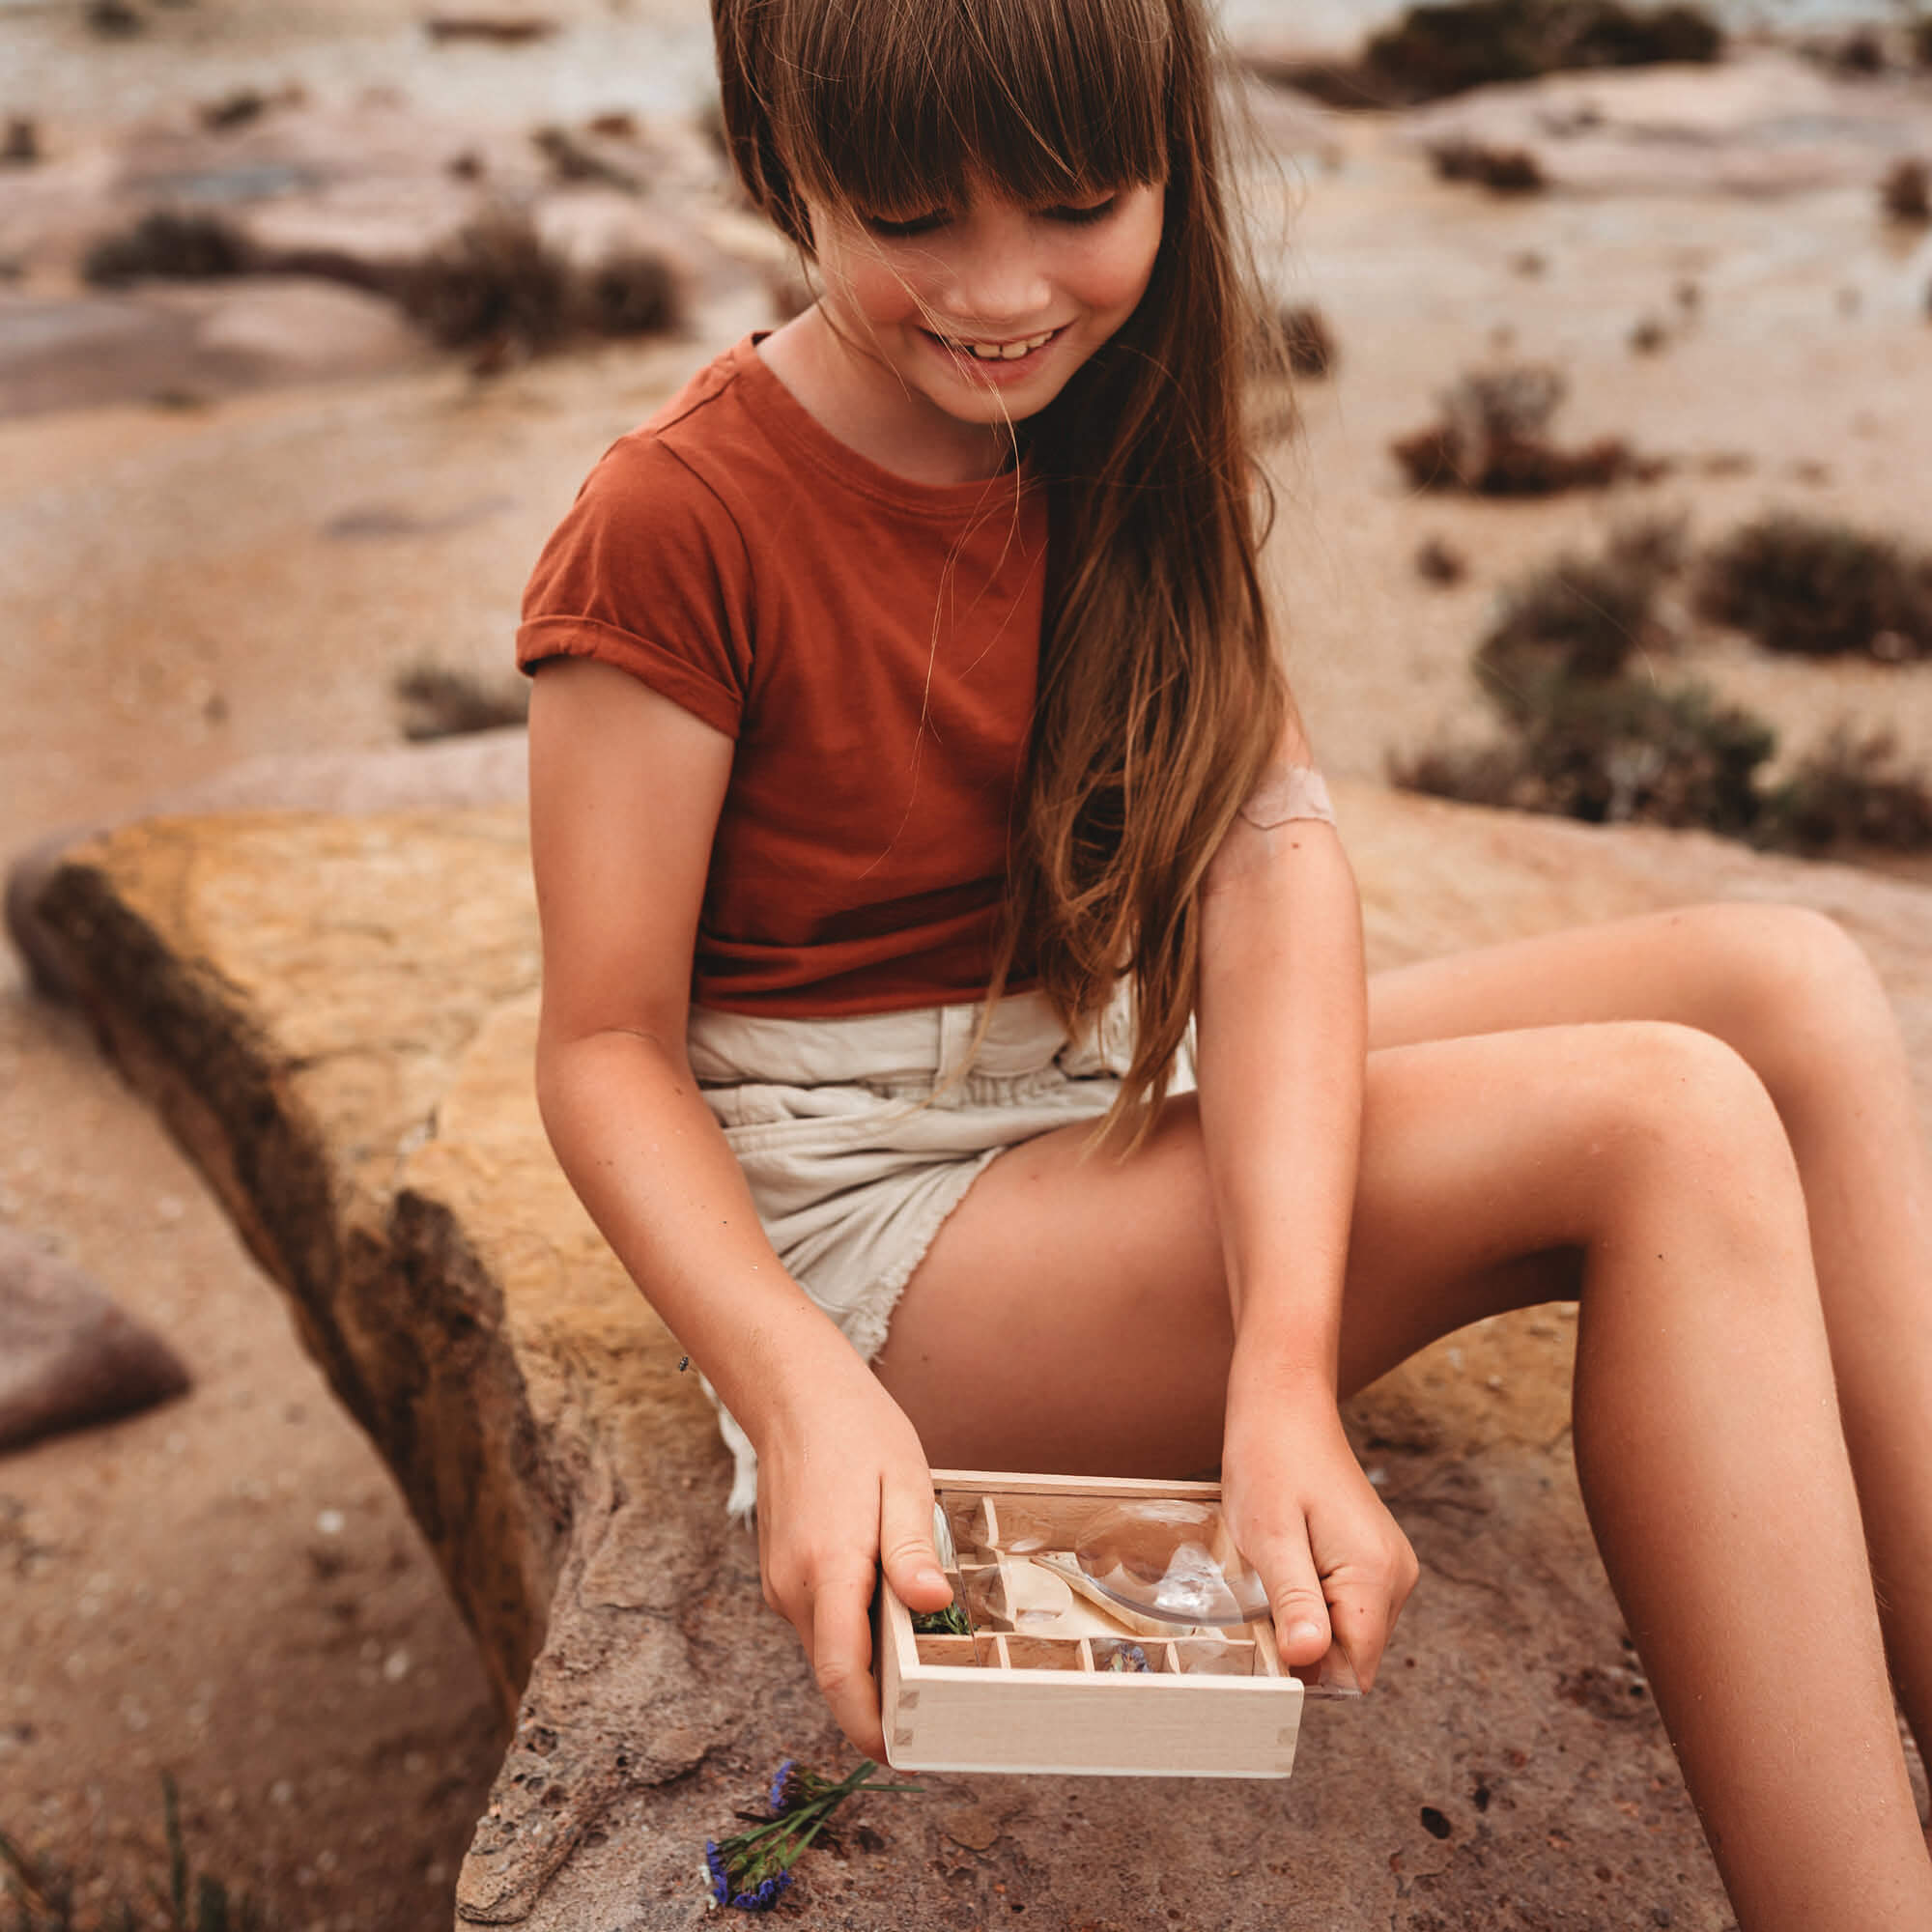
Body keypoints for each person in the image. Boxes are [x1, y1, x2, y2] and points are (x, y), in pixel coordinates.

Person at [518, 0, 1932, 1921]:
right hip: (873, 1233)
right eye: (915, 218)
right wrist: (794, 1391)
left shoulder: (1115, 425)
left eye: (1081, 202)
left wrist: (1282, 1373)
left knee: (1788, 990)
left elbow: (1268, 867)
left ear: (1170, 157)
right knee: (1662, 1123)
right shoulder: (672, 521)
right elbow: (602, 1046)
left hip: (1087, 1093)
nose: (1003, 290)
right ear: (784, 166)